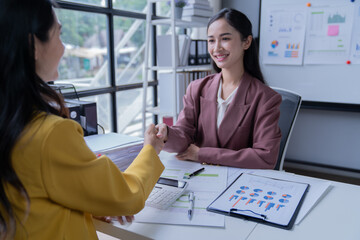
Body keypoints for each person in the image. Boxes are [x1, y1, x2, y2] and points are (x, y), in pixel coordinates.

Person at [0, 0, 165, 239]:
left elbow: (35, 200)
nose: (64, 47)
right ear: (33, 45)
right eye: (59, 34)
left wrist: (85, 203)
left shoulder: (12, 125)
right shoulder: (51, 135)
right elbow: (126, 195)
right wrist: (150, 149)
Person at [156, 8, 282, 169]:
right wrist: (167, 134)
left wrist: (202, 154)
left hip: (240, 182)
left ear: (247, 42)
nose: (216, 48)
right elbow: (183, 136)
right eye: (211, 40)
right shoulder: (197, 88)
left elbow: (265, 157)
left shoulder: (266, 98)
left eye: (225, 39)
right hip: (199, 176)